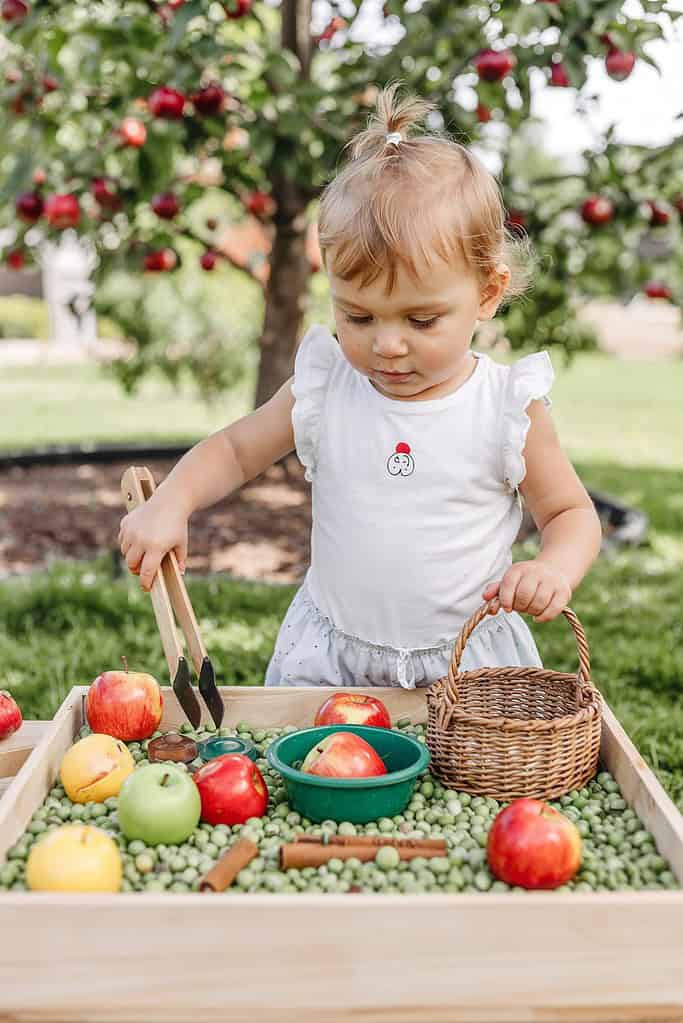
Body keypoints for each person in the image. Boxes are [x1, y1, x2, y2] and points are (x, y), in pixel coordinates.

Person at [118, 83, 602, 689]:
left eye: (421, 320)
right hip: (333, 656)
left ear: (487, 293)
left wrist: (554, 567)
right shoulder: (328, 386)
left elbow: (569, 511)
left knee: (464, 783)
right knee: (313, 773)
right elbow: (236, 450)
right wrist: (173, 501)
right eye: (359, 316)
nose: (387, 344)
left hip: (466, 661)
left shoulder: (506, 408)